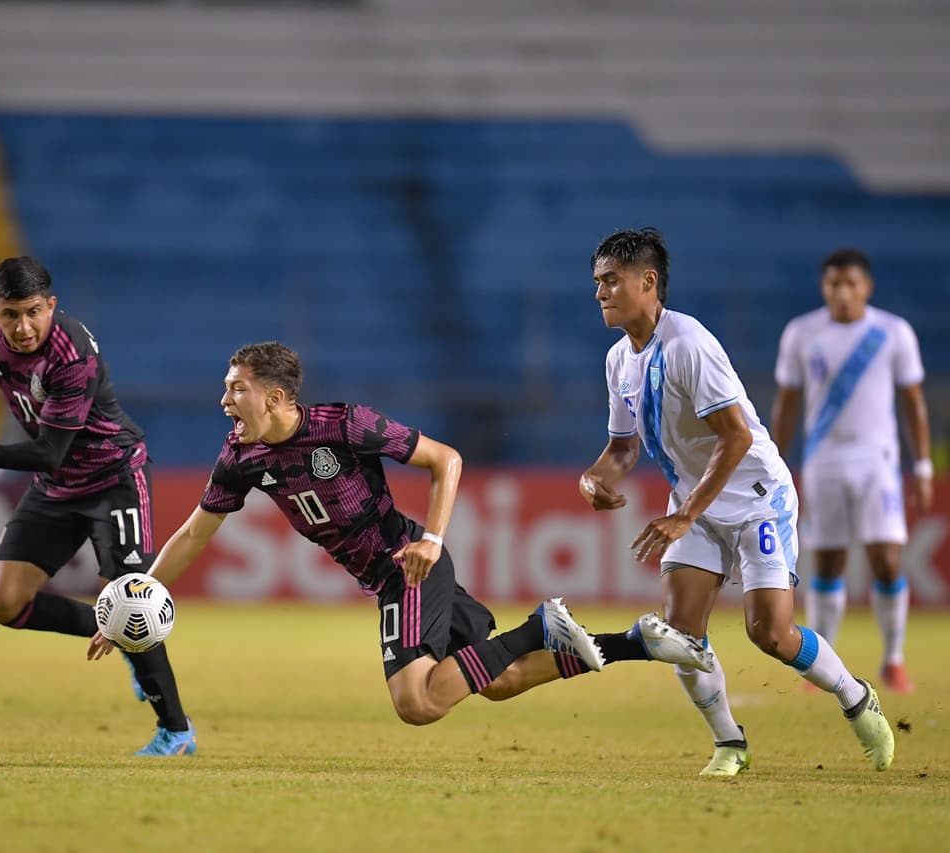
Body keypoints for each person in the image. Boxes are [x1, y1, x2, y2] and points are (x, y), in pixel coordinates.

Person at [86, 341, 714, 731]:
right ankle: (635, 644)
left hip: (407, 568)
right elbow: (196, 532)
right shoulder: (240, 457)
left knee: (417, 702)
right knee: (498, 682)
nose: (225, 399)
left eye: (236, 388)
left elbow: (448, 460)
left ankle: (538, 627)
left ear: (275, 397)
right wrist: (134, 598)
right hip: (391, 574)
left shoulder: (344, 426)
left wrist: (433, 540)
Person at [578, 228, 895, 776]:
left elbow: (737, 437)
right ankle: (730, 743)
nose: (601, 292)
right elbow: (624, 447)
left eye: (612, 280)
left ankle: (855, 696)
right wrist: (594, 477)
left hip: (756, 497)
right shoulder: (617, 361)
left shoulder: (688, 344)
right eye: (597, 283)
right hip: (696, 504)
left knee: (770, 634)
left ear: (648, 282)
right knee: (680, 635)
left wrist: (684, 514)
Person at [0, 256, 195, 756]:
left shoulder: (72, 355)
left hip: (112, 477)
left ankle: (176, 730)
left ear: (51, 305)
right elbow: (50, 458)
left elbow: (48, 450)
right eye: (10, 315)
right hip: (57, 485)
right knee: (4, 602)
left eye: (32, 312)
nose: (22, 328)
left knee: (131, 604)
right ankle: (111, 628)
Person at [771, 248, 932, 695]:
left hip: (877, 463)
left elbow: (913, 401)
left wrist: (921, 464)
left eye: (851, 284)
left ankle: (894, 661)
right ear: (824, 288)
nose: (842, 292)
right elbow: (787, 403)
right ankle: (824, 665)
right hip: (824, 462)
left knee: (886, 559)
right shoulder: (802, 333)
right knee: (827, 561)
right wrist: (775, 461)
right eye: (833, 284)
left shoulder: (892, 332)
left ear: (867, 287)